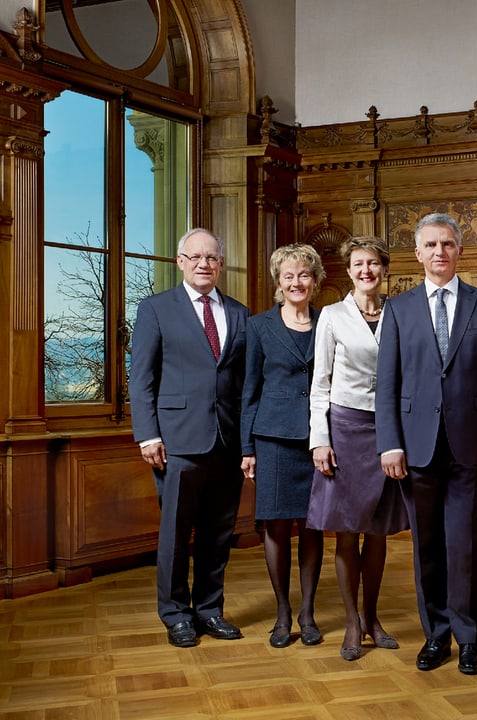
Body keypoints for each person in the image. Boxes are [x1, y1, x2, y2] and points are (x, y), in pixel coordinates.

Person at [376, 212, 477, 675]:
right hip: (415, 449)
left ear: (459, 250)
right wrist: (389, 444)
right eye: (431, 245)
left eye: (448, 244)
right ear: (418, 254)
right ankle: (436, 635)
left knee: (465, 546)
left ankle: (468, 636)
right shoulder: (398, 309)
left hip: (472, 449)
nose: (440, 252)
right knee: (427, 547)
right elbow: (387, 383)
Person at [129, 228, 249, 648]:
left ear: (221, 263)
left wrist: (247, 443)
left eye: (212, 258)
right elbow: (141, 379)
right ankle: (176, 614)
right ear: (180, 261)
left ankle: (210, 610)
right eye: (195, 257)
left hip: (227, 443)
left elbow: (242, 383)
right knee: (176, 534)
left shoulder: (239, 312)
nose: (204, 264)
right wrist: (148, 435)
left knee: (219, 533)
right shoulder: (156, 309)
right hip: (176, 442)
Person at [308, 236, 408, 662]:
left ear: (384, 270)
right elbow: (320, 384)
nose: (366, 270)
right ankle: (351, 622)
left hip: (388, 431)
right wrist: (320, 439)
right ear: (347, 271)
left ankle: (372, 618)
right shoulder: (331, 316)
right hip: (346, 429)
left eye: (373, 263)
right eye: (358, 264)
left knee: (379, 531)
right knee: (347, 531)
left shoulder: (401, 313)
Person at [240, 244, 326, 648]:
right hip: (272, 438)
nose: (297, 282)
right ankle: (282, 613)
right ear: (278, 282)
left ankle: (308, 613)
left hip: (320, 439)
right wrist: (247, 448)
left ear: (315, 280)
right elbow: (249, 391)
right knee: (275, 525)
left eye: (304, 275)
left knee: (313, 526)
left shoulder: (330, 321)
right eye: (289, 276)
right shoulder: (259, 327)